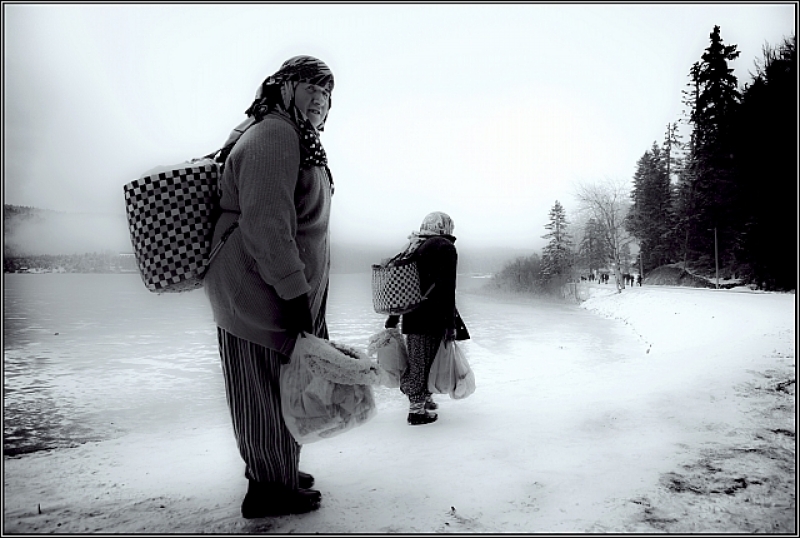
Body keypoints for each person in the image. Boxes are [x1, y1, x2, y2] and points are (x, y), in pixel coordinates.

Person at [203, 55, 335, 518]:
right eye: (309, 86)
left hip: (271, 286)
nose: (320, 98)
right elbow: (266, 224)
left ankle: (278, 467)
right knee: (260, 389)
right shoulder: (276, 133)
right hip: (258, 290)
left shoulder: (292, 134)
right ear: (282, 88)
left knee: (281, 382)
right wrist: (294, 292)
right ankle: (267, 489)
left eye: (327, 92)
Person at [385, 212, 470, 426]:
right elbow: (447, 287)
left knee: (420, 360)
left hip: (413, 314)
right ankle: (416, 411)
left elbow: (401, 284)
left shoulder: (415, 246)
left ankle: (425, 399)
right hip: (432, 315)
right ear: (444, 227)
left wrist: (393, 317)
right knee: (424, 364)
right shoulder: (444, 247)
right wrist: (450, 324)